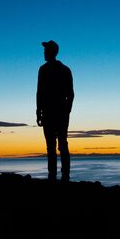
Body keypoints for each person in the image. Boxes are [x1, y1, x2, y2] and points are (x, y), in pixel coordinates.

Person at [37, 40, 73, 182]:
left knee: (55, 145)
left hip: (53, 112)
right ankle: (60, 176)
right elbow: (40, 92)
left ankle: (57, 176)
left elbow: (40, 92)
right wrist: (39, 111)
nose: (44, 52)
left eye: (46, 50)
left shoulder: (46, 70)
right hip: (54, 112)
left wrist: (39, 111)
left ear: (52, 52)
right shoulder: (63, 69)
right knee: (58, 144)